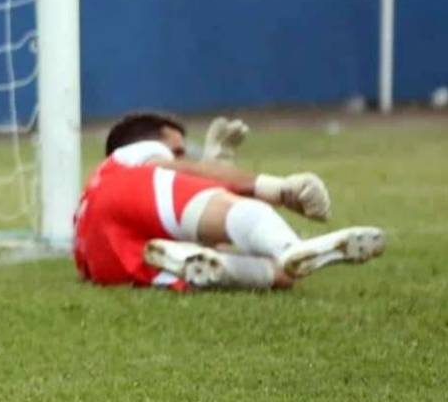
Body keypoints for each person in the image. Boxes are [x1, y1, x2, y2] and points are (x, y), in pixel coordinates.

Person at [73, 112, 386, 291]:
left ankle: (220, 268)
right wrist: (278, 189)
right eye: (178, 149)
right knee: (244, 212)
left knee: (279, 275)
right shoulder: (129, 159)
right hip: (130, 195)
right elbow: (175, 172)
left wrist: (217, 165)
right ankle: (290, 247)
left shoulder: (89, 200)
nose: (183, 158)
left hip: (111, 264)